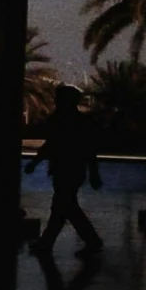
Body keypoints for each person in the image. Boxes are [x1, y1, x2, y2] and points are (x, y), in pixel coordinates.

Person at [27, 83, 105, 256]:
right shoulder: (80, 121)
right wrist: (93, 172)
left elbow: (51, 145)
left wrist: (35, 162)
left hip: (65, 170)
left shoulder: (62, 120)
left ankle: (90, 241)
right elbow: (89, 150)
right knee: (63, 207)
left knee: (65, 206)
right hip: (72, 171)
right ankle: (48, 243)